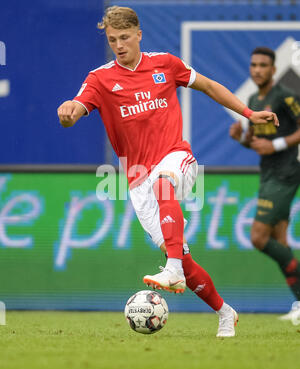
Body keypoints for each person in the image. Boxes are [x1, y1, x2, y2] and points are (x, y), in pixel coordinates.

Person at [57, 7, 279, 337]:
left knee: (165, 185)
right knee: (183, 257)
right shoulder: (100, 78)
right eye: (112, 39)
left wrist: (248, 112)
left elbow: (209, 86)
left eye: (125, 38)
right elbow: (77, 108)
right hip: (137, 178)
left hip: (176, 157)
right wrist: (68, 113)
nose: (119, 45)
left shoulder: (165, 64)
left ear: (139, 35)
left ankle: (171, 267)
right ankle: (224, 311)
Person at [230, 47, 300, 322]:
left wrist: (277, 144)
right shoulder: (251, 99)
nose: (257, 70)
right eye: (254, 65)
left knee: (259, 237)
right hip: (268, 172)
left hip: (287, 172)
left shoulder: (285, 96)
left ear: (273, 70)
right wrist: (241, 139)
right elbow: (257, 144)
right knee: (280, 241)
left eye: (263, 65)